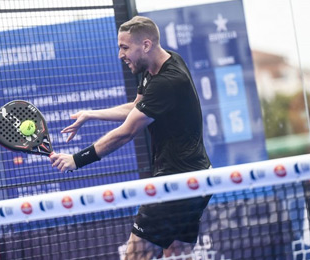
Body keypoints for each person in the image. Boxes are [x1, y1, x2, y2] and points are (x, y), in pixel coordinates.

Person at [49, 16, 212, 260]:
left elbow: (126, 132)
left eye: (124, 47)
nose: (120, 54)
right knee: (177, 255)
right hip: (197, 181)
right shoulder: (159, 66)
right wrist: (91, 114)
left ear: (145, 45)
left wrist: (76, 160)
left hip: (175, 183)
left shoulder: (167, 81)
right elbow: (137, 108)